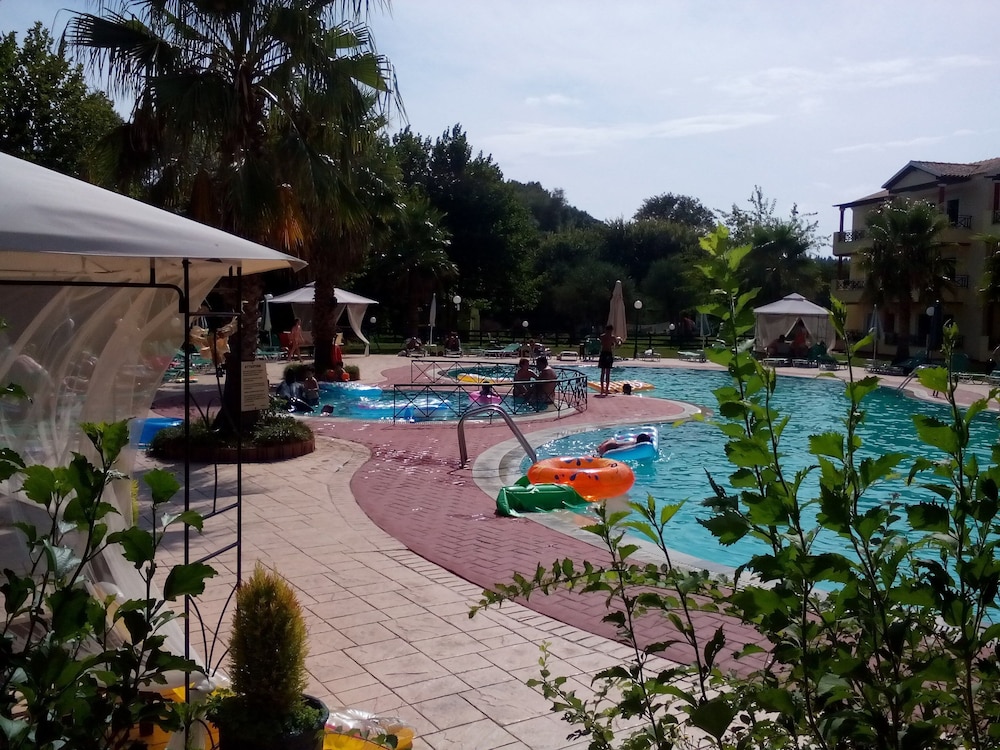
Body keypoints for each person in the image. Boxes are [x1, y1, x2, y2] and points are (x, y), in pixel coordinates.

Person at [598, 324, 620, 396]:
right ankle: (606, 390)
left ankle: (602, 389)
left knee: (603, 372)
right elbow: (617, 345)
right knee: (607, 372)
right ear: (611, 330)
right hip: (608, 353)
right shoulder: (612, 337)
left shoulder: (602, 336)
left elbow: (601, 343)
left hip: (603, 353)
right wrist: (619, 341)